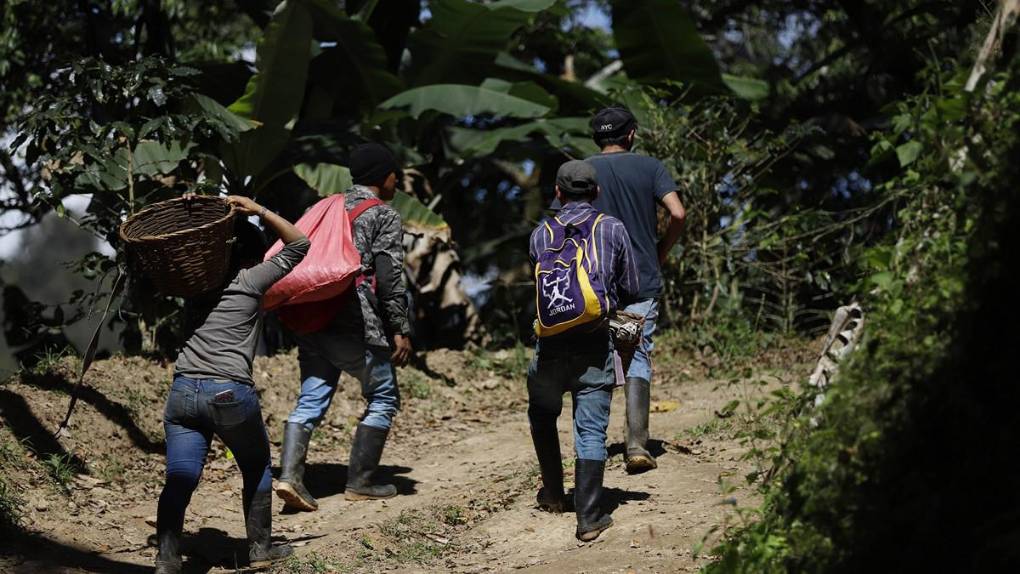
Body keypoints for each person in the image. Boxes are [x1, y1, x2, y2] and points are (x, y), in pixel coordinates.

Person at [155, 195, 308, 574]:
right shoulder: (250, 279)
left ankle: (167, 560)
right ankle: (260, 549)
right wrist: (259, 210)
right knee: (256, 466)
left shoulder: (191, 286)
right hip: (228, 392)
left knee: (181, 477)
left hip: (183, 392)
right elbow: (300, 244)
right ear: (250, 254)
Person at [276, 143, 412, 511]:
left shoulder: (323, 207)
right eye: (395, 173)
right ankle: (362, 480)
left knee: (311, 397)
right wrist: (399, 327)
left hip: (311, 317)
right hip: (354, 322)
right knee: (383, 396)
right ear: (385, 177)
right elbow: (388, 275)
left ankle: (289, 476)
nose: (397, 180)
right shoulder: (382, 215)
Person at [527, 160, 640, 542]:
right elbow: (631, 287)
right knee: (590, 428)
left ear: (558, 193)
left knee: (542, 414)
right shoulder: (611, 227)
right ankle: (589, 517)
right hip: (594, 342)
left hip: (549, 345)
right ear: (596, 192)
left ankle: (555, 494)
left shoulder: (541, 234)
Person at [587, 106, 686, 474]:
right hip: (641, 279)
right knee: (637, 353)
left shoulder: (582, 170)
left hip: (594, 286)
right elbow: (677, 213)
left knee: (597, 357)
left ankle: (592, 447)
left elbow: (560, 220)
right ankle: (636, 444)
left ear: (597, 137)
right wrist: (661, 251)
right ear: (631, 135)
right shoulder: (650, 167)